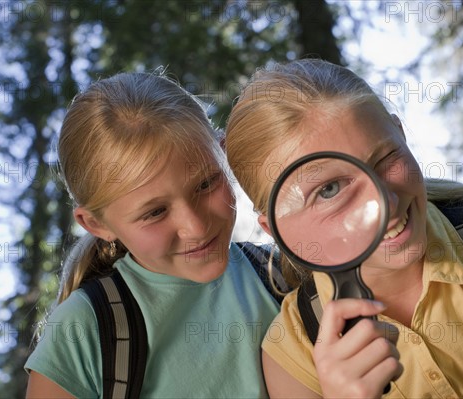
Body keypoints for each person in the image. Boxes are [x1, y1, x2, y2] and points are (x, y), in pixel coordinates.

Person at [225, 59, 463, 398]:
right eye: (329, 190)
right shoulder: (294, 349)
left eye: (385, 159)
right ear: (276, 230)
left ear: (401, 134)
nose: (386, 203)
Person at [25, 72, 280, 398]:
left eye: (206, 184)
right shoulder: (83, 330)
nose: (196, 227)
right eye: (155, 212)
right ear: (97, 225)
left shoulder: (283, 276)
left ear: (222, 154)